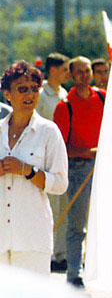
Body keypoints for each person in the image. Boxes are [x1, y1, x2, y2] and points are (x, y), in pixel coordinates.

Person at [0, 61, 68, 274]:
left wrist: (28, 170)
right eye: (22, 89)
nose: (30, 95)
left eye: (34, 89)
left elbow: (60, 184)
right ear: (7, 94)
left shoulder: (49, 132)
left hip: (32, 238)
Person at [53, 56, 106, 288]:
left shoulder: (103, 98)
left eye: (88, 71)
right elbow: (61, 147)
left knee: (103, 222)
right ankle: (74, 273)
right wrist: (88, 151)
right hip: (78, 169)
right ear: (72, 76)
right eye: (80, 72)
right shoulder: (65, 106)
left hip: (104, 166)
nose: (85, 75)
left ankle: (100, 270)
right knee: (77, 225)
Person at [35, 52, 70, 272]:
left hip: (62, 157)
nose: (68, 73)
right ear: (54, 70)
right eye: (65, 69)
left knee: (62, 207)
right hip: (43, 159)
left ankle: (60, 254)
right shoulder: (40, 94)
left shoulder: (64, 93)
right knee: (47, 208)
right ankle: (46, 252)